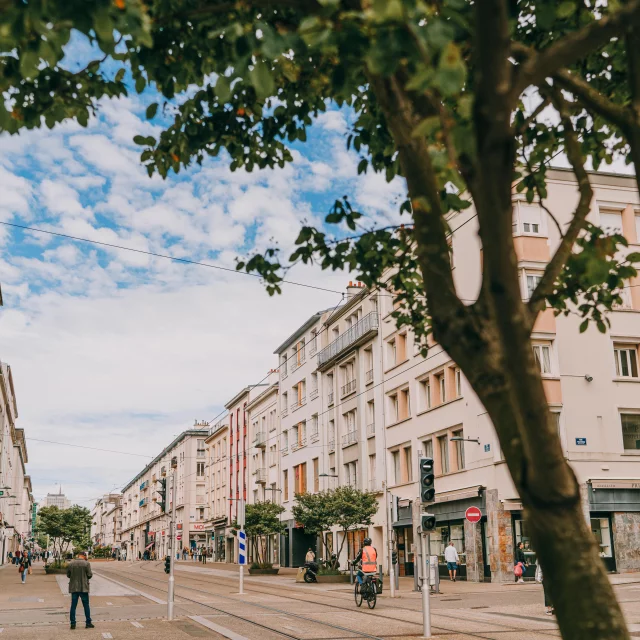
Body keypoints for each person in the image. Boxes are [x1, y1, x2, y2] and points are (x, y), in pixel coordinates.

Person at [67, 551, 94, 630]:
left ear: (78, 556)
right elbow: (89, 575)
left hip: (74, 587)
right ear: (84, 556)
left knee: (73, 606)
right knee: (86, 605)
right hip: (83, 588)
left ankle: (73, 624)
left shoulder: (71, 563)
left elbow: (68, 575)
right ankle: (88, 623)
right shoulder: (86, 564)